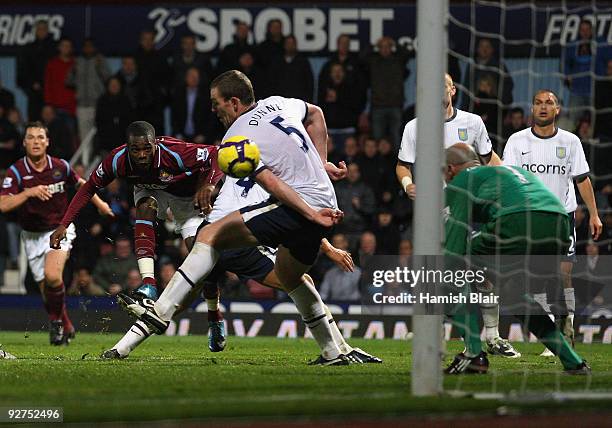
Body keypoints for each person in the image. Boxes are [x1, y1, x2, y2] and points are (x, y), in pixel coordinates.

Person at [120, 70, 361, 366]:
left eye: (216, 103)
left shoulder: (236, 137)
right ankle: (334, 351)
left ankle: (158, 315)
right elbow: (316, 113)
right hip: (326, 203)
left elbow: (269, 183)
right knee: (290, 277)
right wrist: (322, 163)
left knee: (209, 236)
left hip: (304, 209)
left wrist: (310, 212)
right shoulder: (280, 103)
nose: (213, 109)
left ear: (233, 102)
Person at [103, 174, 379, 364]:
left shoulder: (228, 174)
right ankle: (339, 349)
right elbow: (302, 218)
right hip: (235, 244)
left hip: (209, 238)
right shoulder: (270, 181)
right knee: (297, 281)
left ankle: (123, 345)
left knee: (178, 301)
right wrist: (329, 249)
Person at [49, 121, 225, 345]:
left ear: (155, 145)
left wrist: (208, 185)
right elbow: (88, 188)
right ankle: (149, 285)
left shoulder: (175, 153)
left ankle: (214, 316)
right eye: (136, 150)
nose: (142, 155)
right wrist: (64, 224)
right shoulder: (116, 160)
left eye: (146, 149)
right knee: (143, 206)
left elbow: (217, 154)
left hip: (187, 198)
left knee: (200, 258)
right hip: (151, 191)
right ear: (127, 147)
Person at [443, 143, 590, 375]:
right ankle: (574, 363)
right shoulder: (510, 171)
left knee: (444, 270)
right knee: (513, 295)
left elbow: (454, 245)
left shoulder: (463, 180)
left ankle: (473, 354)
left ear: (450, 169)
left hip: (517, 221)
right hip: (559, 223)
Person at [396, 73, 513, 358]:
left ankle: (494, 337)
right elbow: (402, 166)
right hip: (434, 209)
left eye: (443, 84)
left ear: (453, 89)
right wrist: (408, 184)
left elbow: (489, 159)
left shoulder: (473, 122)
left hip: (472, 207)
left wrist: (511, 181)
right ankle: (432, 333)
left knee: (482, 272)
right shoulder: (415, 127)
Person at [502, 89, 603, 352]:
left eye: (549, 103)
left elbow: (582, 179)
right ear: (532, 109)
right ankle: (550, 334)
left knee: (562, 275)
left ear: (557, 109)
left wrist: (593, 213)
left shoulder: (570, 141)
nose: (543, 107)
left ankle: (565, 327)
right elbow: (508, 181)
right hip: (528, 218)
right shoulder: (516, 141)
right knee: (534, 277)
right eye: (538, 103)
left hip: (561, 217)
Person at [0, 122, 113, 345]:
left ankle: (56, 324)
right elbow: (3, 204)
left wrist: (100, 204)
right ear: (24, 143)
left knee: (53, 277)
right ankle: (65, 323)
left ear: (47, 142)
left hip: (59, 229)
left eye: (40, 137)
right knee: (47, 291)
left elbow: (82, 184)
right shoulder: (17, 171)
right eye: (30, 138)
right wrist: (29, 193)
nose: (35, 142)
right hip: (32, 235)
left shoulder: (60, 166)